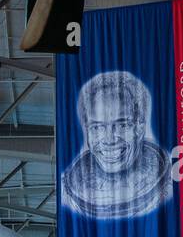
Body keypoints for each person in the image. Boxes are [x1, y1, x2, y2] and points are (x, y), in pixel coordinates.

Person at [61, 71, 172, 220]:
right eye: (97, 127)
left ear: (140, 127)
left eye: (122, 125)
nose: (109, 140)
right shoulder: (66, 196)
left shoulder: (171, 191)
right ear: (86, 130)